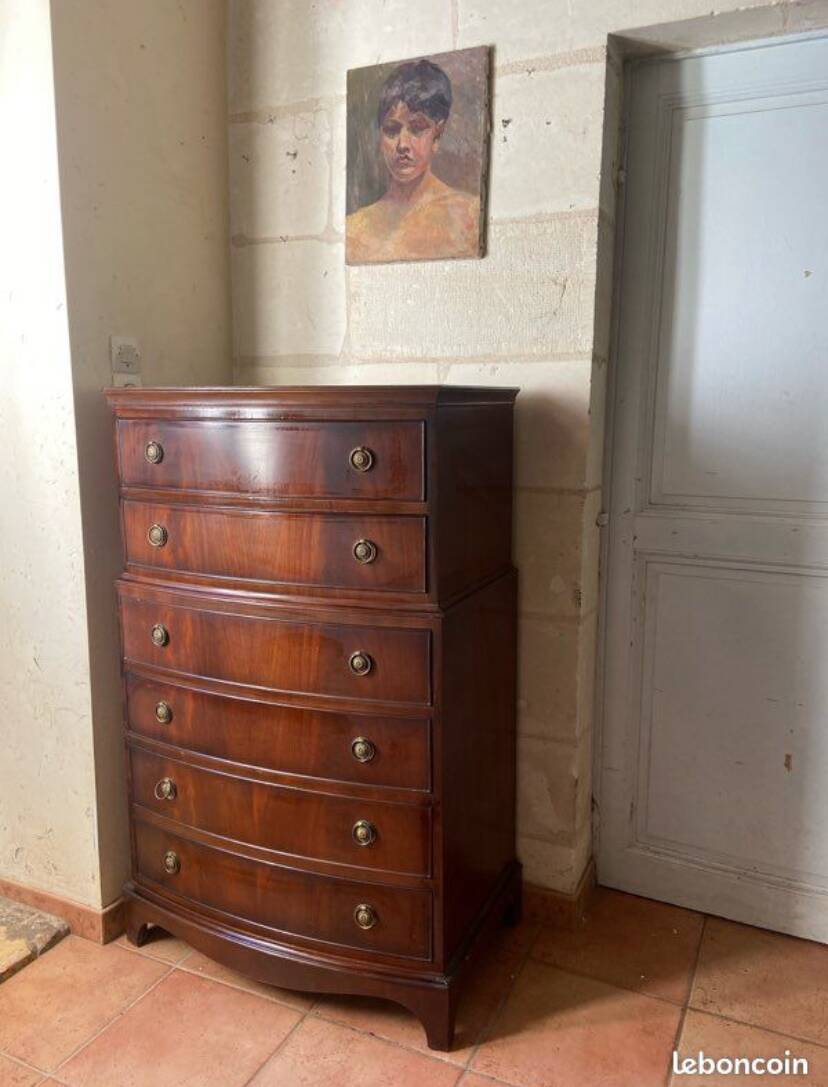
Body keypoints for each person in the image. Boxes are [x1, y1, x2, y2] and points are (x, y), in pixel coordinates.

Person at [346, 59, 480, 264]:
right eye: (391, 130)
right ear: (380, 136)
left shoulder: (470, 217)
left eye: (417, 128)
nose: (402, 145)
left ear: (437, 135)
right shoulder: (354, 229)